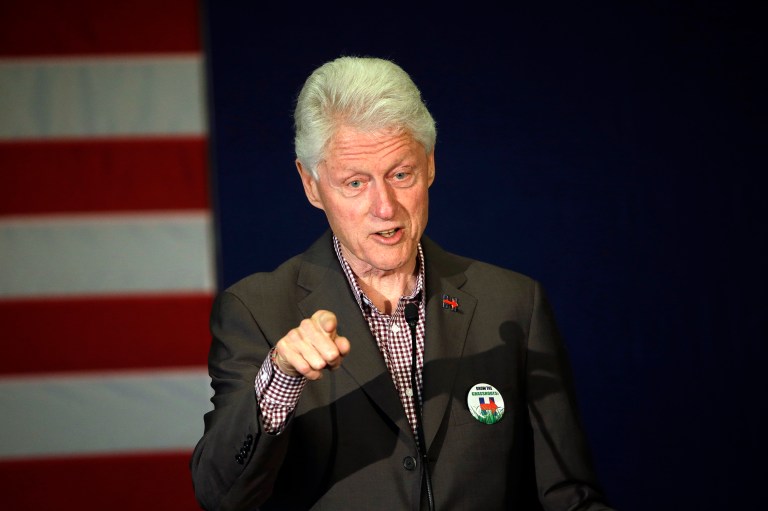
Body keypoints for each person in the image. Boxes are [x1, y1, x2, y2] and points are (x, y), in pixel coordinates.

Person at [190, 56, 614, 511]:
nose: (385, 207)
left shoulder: (511, 304)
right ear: (311, 186)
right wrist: (281, 378)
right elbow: (221, 496)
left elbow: (568, 497)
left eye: (400, 174)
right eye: (355, 183)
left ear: (429, 165)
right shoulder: (257, 310)